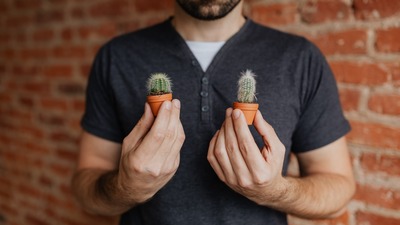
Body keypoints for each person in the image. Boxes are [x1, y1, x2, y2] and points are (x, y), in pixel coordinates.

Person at [71, 0, 356, 224]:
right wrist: (125, 187)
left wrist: (275, 190)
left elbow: (338, 187)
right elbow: (86, 185)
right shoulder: (116, 57)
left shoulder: (301, 59)